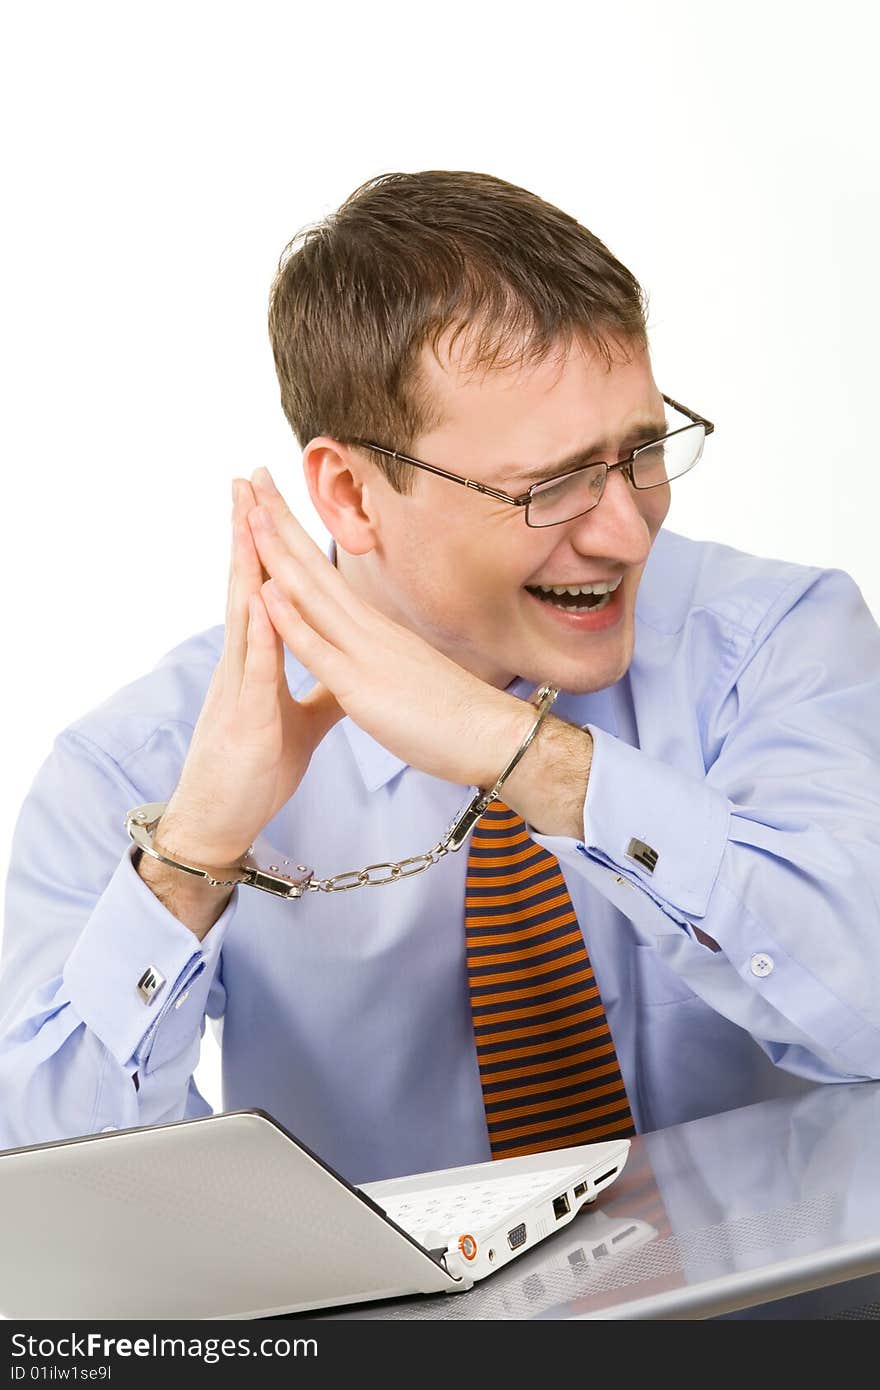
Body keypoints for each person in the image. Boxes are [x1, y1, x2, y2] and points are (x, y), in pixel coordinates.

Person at [1, 170, 879, 1187]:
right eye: (550, 486)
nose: (626, 529)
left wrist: (528, 758)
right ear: (350, 495)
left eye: (640, 450)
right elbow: (63, 1211)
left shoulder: (772, 639)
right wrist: (191, 859)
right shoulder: (138, 765)